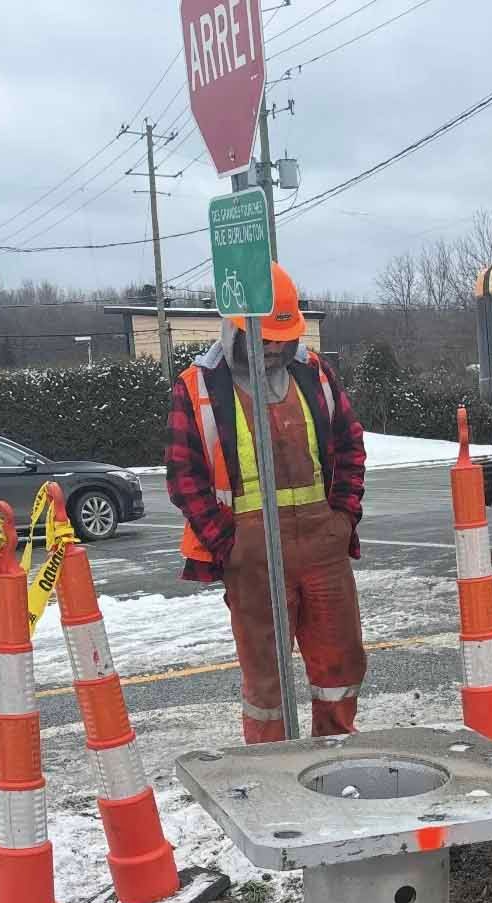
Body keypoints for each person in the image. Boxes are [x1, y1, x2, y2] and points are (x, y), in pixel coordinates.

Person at [165, 261, 368, 743]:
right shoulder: (198, 385)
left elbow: (349, 444)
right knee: (265, 683)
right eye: (266, 338)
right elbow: (184, 476)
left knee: (340, 667)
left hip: (323, 547)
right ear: (236, 329)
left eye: (284, 337)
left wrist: (343, 517)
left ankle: (335, 758)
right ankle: (270, 778)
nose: (276, 347)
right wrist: (228, 545)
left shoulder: (313, 373)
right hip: (251, 558)